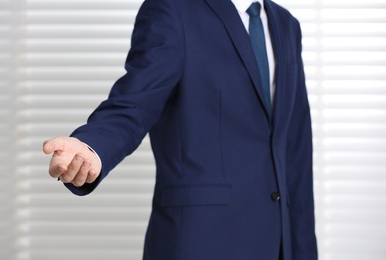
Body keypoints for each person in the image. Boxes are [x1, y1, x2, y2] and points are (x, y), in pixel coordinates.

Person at [43, 0, 318, 259]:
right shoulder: (173, 8)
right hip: (201, 241)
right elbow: (135, 102)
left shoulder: (286, 25)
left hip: (279, 245)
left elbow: (296, 150)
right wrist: (92, 147)